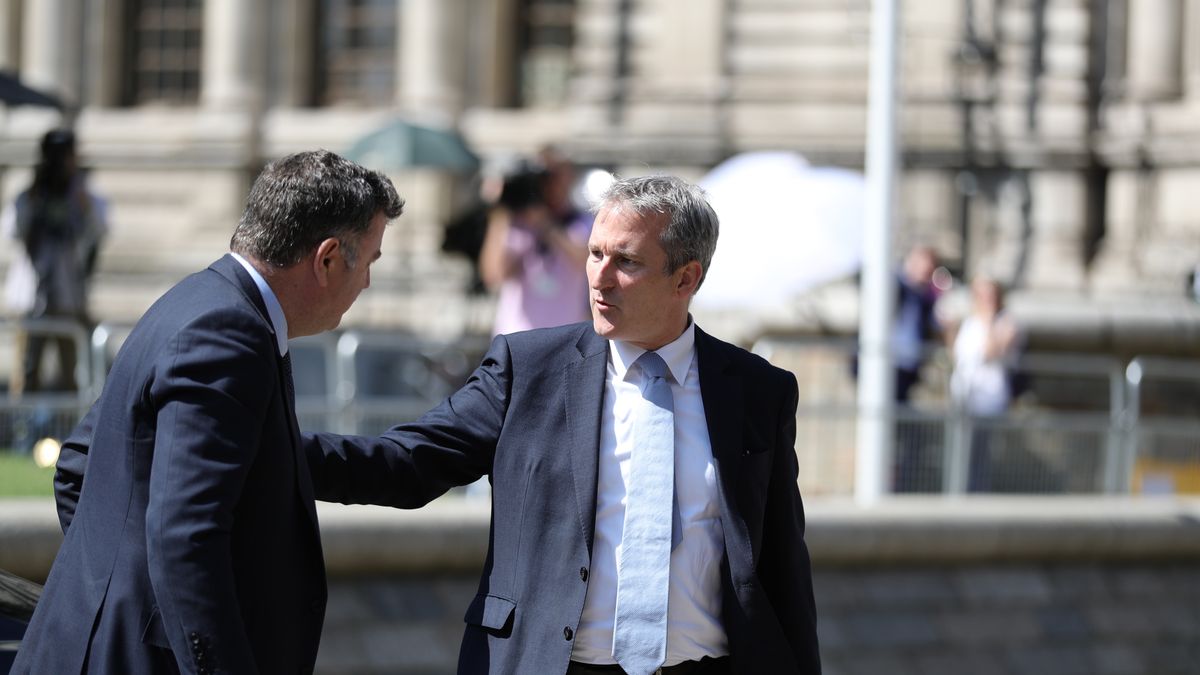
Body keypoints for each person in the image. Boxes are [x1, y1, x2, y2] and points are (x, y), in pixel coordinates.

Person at [306, 175, 821, 674]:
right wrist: (277, 449)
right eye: (596, 253)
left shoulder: (759, 392)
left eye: (627, 262)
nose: (598, 275)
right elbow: (409, 462)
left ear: (686, 278)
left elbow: (783, 569)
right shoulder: (527, 368)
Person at [12, 150, 405, 674]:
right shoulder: (230, 332)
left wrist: (111, 590)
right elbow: (185, 536)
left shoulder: (196, 298)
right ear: (329, 258)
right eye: (371, 262)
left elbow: (82, 464)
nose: (368, 285)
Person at [3, 128, 108, 394]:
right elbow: (12, 229)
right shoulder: (30, 195)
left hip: (67, 298)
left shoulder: (81, 196)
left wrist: (80, 197)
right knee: (26, 371)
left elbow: (98, 228)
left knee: (71, 372)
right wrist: (35, 198)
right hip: (32, 300)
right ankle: (22, 427)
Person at [478, 147, 592, 335]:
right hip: (516, 339)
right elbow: (493, 275)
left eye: (554, 176)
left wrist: (545, 225)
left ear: (568, 176)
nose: (548, 185)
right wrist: (500, 210)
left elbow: (584, 260)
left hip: (565, 339)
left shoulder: (582, 221)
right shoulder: (515, 224)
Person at [947, 277, 1023, 492]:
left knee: (981, 452)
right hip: (965, 395)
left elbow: (991, 352)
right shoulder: (970, 321)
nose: (985, 300)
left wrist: (988, 320)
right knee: (961, 450)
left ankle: (977, 494)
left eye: (989, 295)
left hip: (989, 399)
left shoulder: (1006, 322)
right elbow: (958, 356)